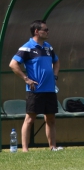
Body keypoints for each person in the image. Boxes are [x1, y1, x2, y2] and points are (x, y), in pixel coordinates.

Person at [9, 20, 63, 152]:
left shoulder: (48, 47)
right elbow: (13, 64)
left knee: (51, 118)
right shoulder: (27, 47)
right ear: (36, 31)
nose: (48, 31)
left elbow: (56, 62)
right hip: (35, 90)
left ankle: (53, 147)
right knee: (30, 118)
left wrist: (55, 77)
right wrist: (26, 79)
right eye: (45, 29)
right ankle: (25, 149)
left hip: (50, 89)